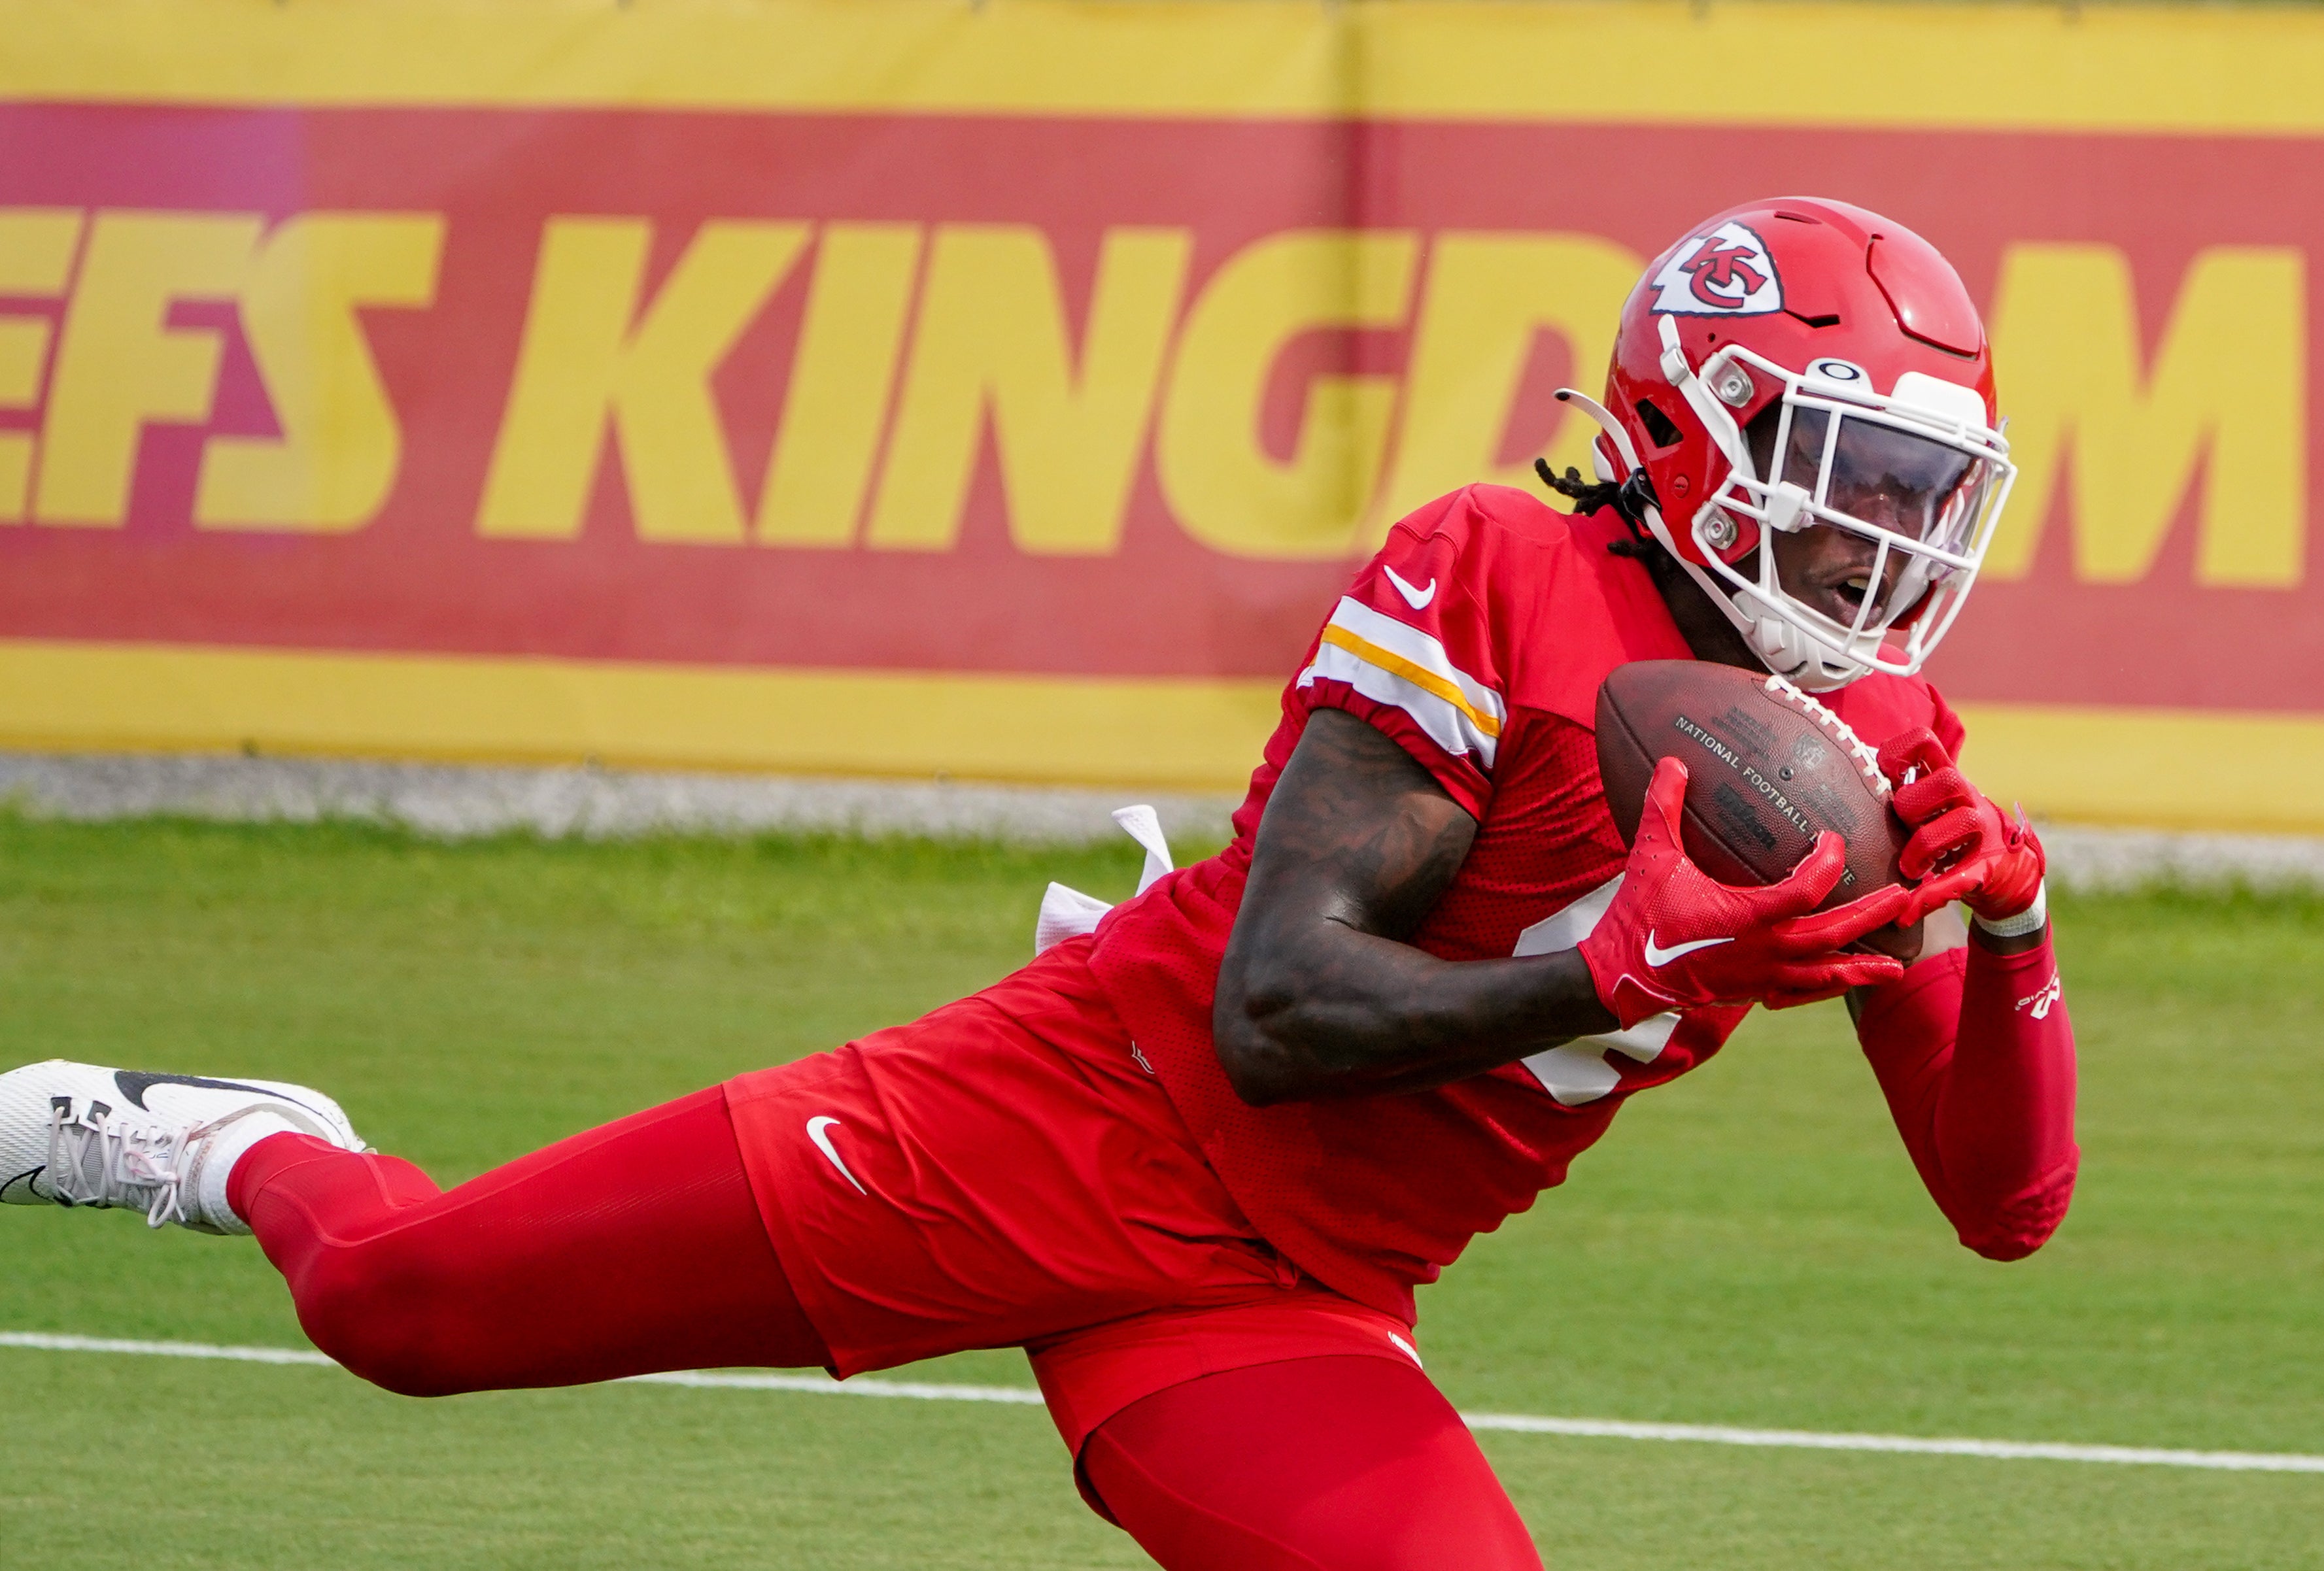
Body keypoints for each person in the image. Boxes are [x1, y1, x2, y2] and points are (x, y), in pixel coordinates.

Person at [0, 197, 2076, 1570]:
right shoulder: (1496, 570)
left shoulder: (1873, 748)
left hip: (1286, 1291)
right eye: (1847, 465)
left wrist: (2007, 936)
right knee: (398, 1307)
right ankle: (237, 1143)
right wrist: (1606, 966)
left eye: (1920, 486)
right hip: (1066, 1124)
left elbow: (2005, 1212)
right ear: (1693, 423)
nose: (1880, 532)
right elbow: (1277, 1015)